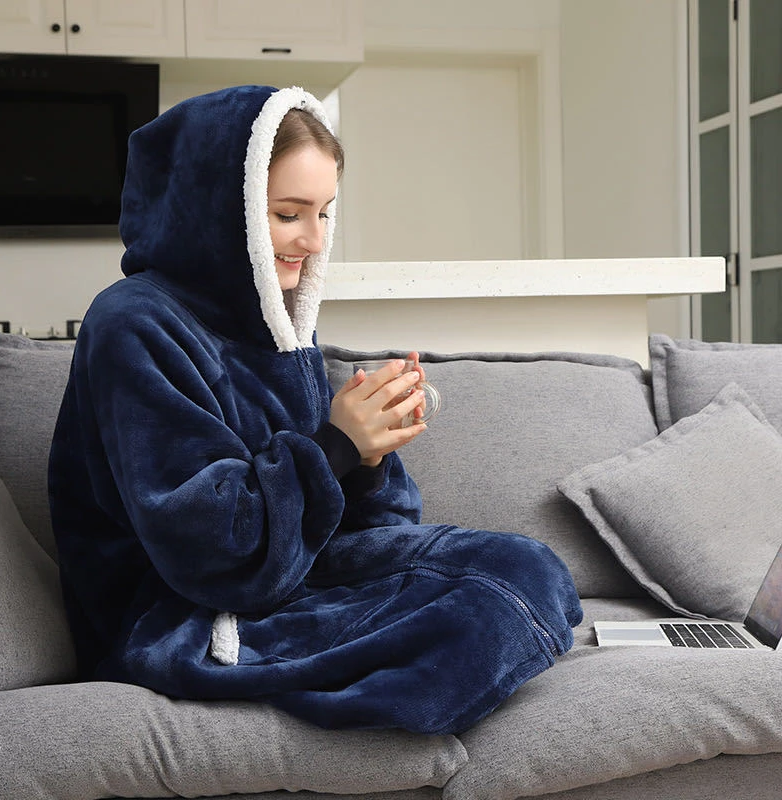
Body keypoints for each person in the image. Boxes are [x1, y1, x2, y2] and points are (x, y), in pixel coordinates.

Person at [48, 85, 582, 735]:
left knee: (530, 570)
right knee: (492, 610)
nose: (312, 238)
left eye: (325, 213)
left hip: (286, 585)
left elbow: (375, 531)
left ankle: (417, 685)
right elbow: (209, 554)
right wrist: (336, 446)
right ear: (220, 208)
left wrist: (370, 456)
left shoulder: (280, 326)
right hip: (180, 617)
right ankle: (390, 713)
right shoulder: (133, 323)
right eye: (287, 214)